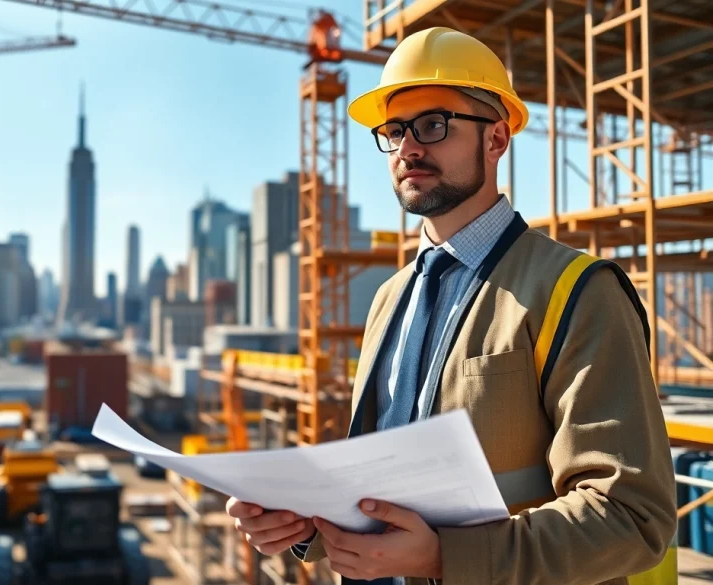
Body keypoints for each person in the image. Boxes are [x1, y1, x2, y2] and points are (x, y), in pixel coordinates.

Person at [226, 26, 676, 585]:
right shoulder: (390, 300)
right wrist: (308, 524)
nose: (409, 147)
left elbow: (632, 519)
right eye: (394, 131)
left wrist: (446, 558)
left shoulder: (576, 290)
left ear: (497, 139)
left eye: (433, 125)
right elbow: (384, 492)